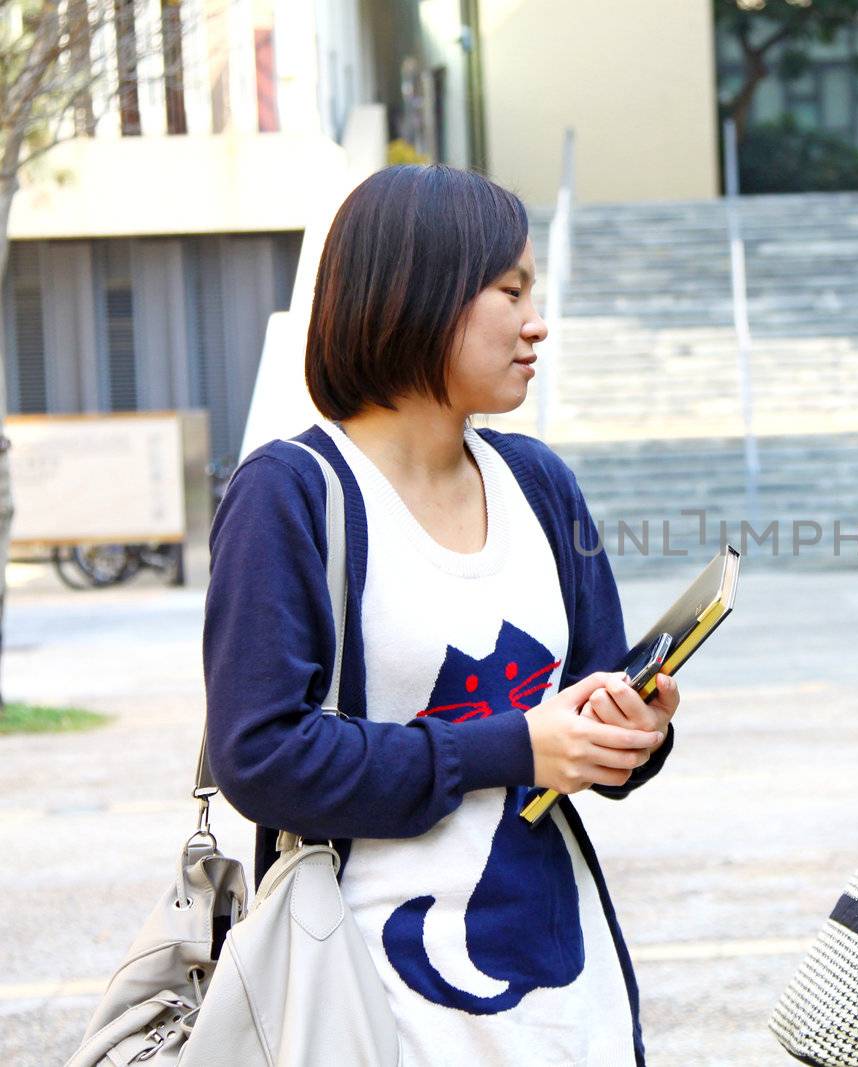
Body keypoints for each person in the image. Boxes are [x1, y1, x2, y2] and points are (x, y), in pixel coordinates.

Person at [203, 164, 675, 1065]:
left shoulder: (540, 482)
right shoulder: (293, 493)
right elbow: (260, 756)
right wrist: (515, 745)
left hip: (564, 992)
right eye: (510, 290)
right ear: (416, 294)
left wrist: (633, 733)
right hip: (366, 994)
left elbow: (588, 724)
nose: (537, 321)